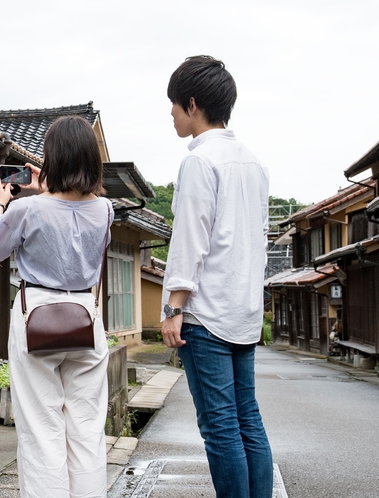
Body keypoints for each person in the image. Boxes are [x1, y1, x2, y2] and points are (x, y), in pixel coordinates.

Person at [0, 115, 114, 497]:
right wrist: (48, 187)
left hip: (37, 318)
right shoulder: (106, 210)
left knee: (41, 429)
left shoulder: (27, 210)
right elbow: (73, 212)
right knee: (86, 428)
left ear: (52, 158)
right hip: (86, 319)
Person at [160, 55, 274, 498]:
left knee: (219, 426)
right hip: (243, 312)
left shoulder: (199, 163)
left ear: (192, 104)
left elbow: (190, 242)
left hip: (205, 317)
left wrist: (173, 308)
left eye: (172, 105)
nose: (170, 114)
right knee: (247, 418)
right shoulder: (255, 164)